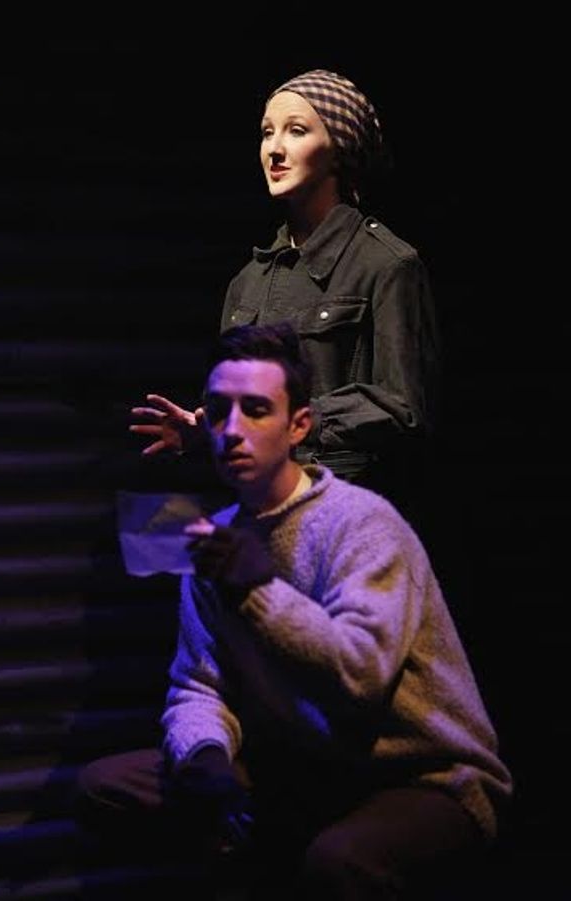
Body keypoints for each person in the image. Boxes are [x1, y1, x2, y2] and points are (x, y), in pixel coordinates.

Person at [78, 323, 512, 900]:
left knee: (338, 863)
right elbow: (196, 685)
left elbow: (360, 675)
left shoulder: (361, 524)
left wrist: (255, 591)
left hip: (416, 775)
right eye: (217, 410)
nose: (232, 431)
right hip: (300, 765)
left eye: (256, 410)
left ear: (297, 425)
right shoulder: (218, 535)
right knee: (105, 785)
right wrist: (204, 757)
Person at [130, 68, 439, 527]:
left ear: (339, 148)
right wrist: (208, 428)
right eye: (266, 133)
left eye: (296, 131)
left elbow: (403, 408)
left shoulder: (387, 265)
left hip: (342, 516)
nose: (274, 149)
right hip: (261, 516)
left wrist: (292, 419)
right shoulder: (249, 280)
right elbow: (245, 407)